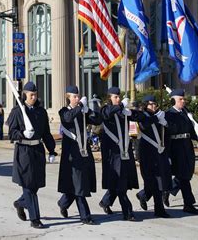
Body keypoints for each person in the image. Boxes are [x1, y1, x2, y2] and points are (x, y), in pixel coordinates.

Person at [99, 87, 160, 221]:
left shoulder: (123, 111)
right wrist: (121, 106)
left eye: (119, 97)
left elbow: (140, 117)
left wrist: (154, 117)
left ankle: (106, 202)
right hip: (113, 154)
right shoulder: (105, 109)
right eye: (115, 97)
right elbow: (107, 113)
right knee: (120, 185)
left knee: (122, 182)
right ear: (109, 98)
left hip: (125, 152)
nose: (118, 99)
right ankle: (128, 213)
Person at [7, 81, 57, 229]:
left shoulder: (41, 112)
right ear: (25, 95)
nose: (34, 97)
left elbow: (46, 133)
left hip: (38, 151)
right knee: (28, 186)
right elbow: (11, 133)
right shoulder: (17, 111)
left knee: (35, 185)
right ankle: (35, 219)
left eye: (35, 95)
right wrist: (22, 134)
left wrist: (52, 150)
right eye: (31, 95)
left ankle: (20, 203)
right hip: (24, 151)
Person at [57, 86, 102, 225]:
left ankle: (63, 203)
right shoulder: (63, 111)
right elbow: (68, 118)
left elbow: (97, 121)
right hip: (72, 155)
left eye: (78, 96)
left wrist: (90, 111)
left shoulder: (82, 112)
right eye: (74, 96)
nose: (77, 98)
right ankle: (85, 216)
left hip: (84, 153)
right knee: (79, 186)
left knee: (79, 184)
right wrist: (81, 106)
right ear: (68, 98)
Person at [163, 89, 198, 214]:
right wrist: (166, 154)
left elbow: (191, 129)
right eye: (180, 99)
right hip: (175, 148)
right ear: (173, 100)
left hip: (187, 147)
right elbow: (166, 135)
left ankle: (167, 191)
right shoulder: (168, 114)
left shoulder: (185, 113)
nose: (183, 101)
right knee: (183, 177)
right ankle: (188, 204)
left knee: (186, 174)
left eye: (183, 99)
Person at [135, 95, 172, 218]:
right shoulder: (142, 115)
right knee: (151, 181)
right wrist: (156, 118)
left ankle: (159, 209)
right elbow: (144, 126)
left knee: (159, 181)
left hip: (159, 153)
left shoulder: (159, 116)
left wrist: (165, 124)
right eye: (151, 104)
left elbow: (165, 136)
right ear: (145, 105)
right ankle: (144, 195)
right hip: (147, 153)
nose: (154, 106)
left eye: (155, 104)